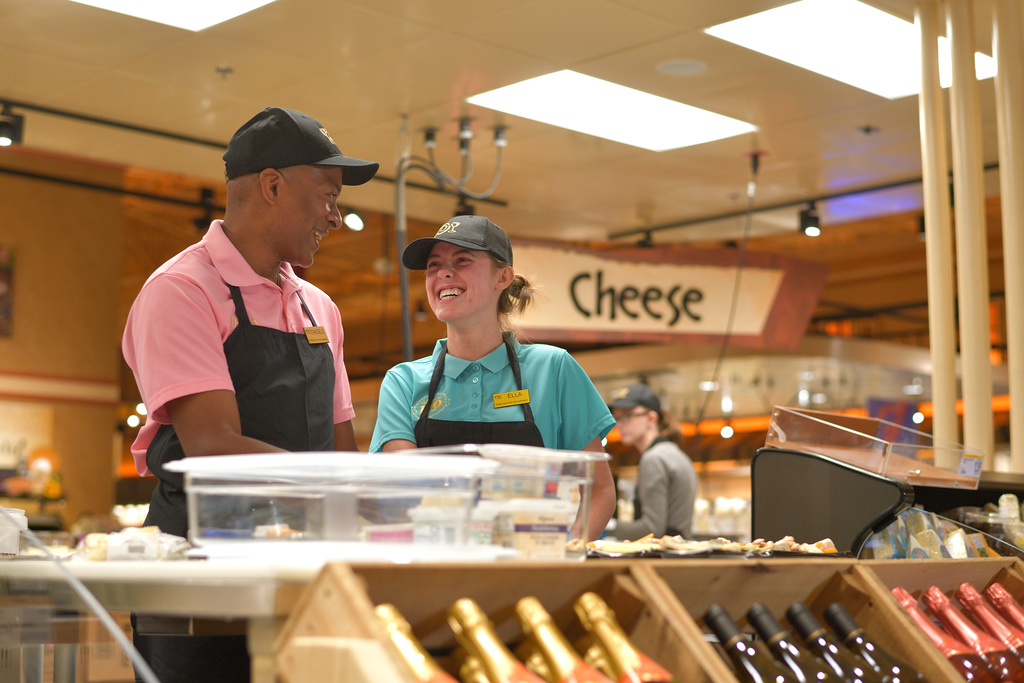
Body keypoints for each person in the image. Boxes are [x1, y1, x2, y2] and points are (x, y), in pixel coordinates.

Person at [121, 107, 378, 683]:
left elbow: (340, 450)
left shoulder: (320, 308)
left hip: (302, 573)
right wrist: (340, 490)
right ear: (272, 185)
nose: (336, 217)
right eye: (329, 195)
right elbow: (213, 448)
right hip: (199, 576)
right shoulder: (182, 290)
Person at [370, 215, 616, 539]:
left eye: (462, 260)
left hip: (534, 561)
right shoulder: (403, 383)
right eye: (433, 265)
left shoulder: (553, 369)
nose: (444, 272)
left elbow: (599, 491)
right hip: (438, 562)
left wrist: (565, 555)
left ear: (503, 277)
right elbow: (401, 493)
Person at [608, 384, 698, 540]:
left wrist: (607, 526)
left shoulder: (654, 458)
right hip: (678, 549)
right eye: (617, 418)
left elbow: (651, 529)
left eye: (627, 416)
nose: (619, 424)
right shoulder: (674, 453)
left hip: (663, 553)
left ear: (651, 418)